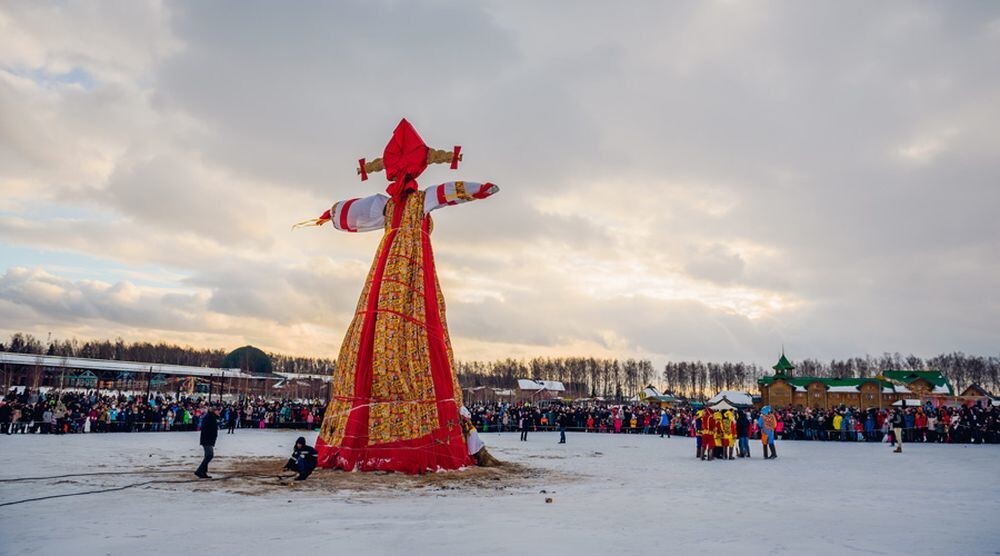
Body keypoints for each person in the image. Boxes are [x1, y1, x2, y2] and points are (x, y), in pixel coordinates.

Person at [194, 405, 220, 479]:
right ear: (214, 411)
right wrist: (209, 439)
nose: (219, 412)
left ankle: (203, 472)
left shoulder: (211, 417)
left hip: (208, 440)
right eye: (217, 410)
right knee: (209, 455)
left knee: (207, 455)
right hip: (207, 440)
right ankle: (199, 471)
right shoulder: (209, 417)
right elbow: (206, 429)